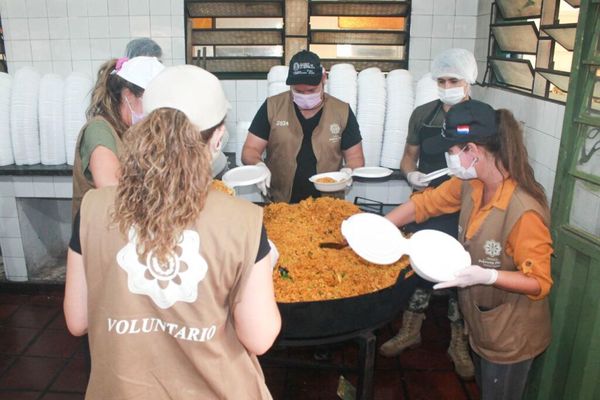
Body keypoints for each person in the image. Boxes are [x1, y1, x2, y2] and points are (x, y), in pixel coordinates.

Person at [64, 65, 281, 399]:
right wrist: (262, 268)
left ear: (143, 127)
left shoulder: (93, 209)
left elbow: (77, 320)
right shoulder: (243, 222)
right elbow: (260, 338)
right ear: (218, 136)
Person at [385, 100, 553, 399]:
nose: (448, 159)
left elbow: (539, 281)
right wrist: (380, 228)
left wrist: (486, 276)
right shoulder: (472, 184)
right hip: (482, 324)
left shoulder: (523, 210)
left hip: (512, 334)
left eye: (451, 152)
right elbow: (424, 204)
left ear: (472, 151)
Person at [379, 48, 478, 380]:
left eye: (454, 80)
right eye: (442, 80)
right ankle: (411, 329)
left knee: (459, 273)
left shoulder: (481, 116)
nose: (447, 85)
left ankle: (458, 342)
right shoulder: (423, 114)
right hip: (427, 201)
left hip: (468, 207)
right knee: (420, 265)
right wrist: (410, 175)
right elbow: (409, 157)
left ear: (469, 81)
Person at [242, 50, 365, 203]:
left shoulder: (342, 111)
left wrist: (348, 171)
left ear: (323, 79)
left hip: (327, 204)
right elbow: (250, 150)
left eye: (311, 90)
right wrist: (258, 165)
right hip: (281, 202)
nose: (305, 96)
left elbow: (356, 157)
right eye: (298, 91)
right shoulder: (272, 107)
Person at [71, 56, 164, 218]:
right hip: (99, 231)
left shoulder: (132, 130)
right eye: (150, 103)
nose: (153, 113)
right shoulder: (99, 131)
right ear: (128, 95)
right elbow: (113, 192)